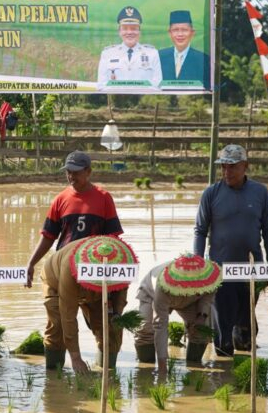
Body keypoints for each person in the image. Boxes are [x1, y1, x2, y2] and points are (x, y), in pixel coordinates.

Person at [193, 144, 268, 356]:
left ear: (245, 167)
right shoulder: (211, 194)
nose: (226, 172)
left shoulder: (260, 192)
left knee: (246, 318)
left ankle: (244, 348)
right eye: (223, 167)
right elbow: (200, 230)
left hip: (252, 270)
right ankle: (222, 364)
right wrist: (198, 264)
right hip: (221, 270)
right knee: (224, 322)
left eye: (232, 167)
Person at [26, 151, 123, 288]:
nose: (71, 177)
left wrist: (115, 272)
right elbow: (48, 236)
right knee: (55, 305)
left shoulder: (104, 198)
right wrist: (31, 263)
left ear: (88, 172)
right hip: (65, 265)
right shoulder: (60, 199)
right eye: (68, 172)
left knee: (107, 304)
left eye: (76, 172)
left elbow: (113, 238)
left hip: (93, 267)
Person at [40, 235, 137, 372]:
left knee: (110, 327)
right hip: (56, 280)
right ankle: (53, 376)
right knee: (58, 326)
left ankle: (106, 370)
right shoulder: (69, 267)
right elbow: (67, 315)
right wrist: (76, 358)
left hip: (98, 291)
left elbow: (121, 292)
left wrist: (116, 313)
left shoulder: (122, 263)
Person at [134, 254, 222, 375]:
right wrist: (163, 367)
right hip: (152, 294)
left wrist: (202, 316)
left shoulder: (210, 277)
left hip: (190, 301)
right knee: (145, 329)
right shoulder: (162, 284)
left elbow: (207, 297)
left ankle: (194, 367)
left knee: (202, 330)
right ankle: (145, 370)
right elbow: (160, 325)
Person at [97, 6, 162, 89]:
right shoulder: (108, 54)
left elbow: (158, 86)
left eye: (134, 28)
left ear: (139, 31)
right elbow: (101, 86)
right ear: (119, 31)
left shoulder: (152, 54)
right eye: (125, 28)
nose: (129, 32)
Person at [158, 10, 210, 88]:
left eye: (184, 30)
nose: (180, 34)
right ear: (170, 33)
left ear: (192, 33)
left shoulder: (203, 59)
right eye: (175, 30)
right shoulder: (159, 57)